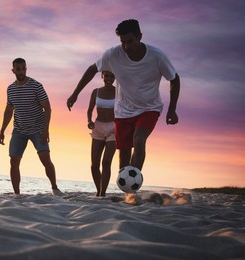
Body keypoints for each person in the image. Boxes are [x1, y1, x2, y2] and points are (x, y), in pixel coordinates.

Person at [67, 19, 180, 174]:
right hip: (123, 111)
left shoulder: (157, 56)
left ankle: (133, 184)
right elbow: (92, 69)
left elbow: (174, 79)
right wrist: (75, 94)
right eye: (123, 42)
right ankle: (128, 193)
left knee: (139, 140)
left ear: (140, 36)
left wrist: (172, 110)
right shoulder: (113, 54)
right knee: (124, 154)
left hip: (149, 108)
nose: (127, 47)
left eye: (130, 41)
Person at [0, 58, 64, 196]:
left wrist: (45, 131)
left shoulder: (36, 86)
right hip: (19, 130)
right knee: (14, 161)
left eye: (23, 68)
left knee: (45, 159)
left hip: (38, 129)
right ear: (13, 70)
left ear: (26, 69)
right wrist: (2, 130)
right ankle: (17, 194)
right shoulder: (10, 89)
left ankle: (55, 188)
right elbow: (9, 110)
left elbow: (48, 108)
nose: (21, 71)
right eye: (18, 69)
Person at [87, 71, 117, 197]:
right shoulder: (96, 92)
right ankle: (99, 191)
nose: (109, 78)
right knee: (94, 165)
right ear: (102, 76)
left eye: (112, 76)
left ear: (115, 77)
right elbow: (90, 110)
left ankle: (102, 193)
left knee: (106, 162)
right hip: (98, 127)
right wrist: (89, 121)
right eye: (107, 76)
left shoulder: (119, 92)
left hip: (113, 128)